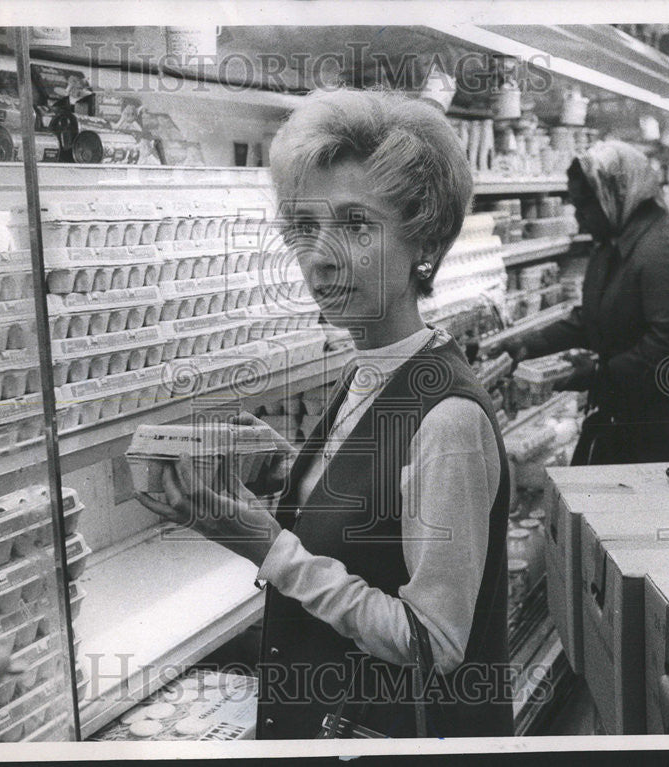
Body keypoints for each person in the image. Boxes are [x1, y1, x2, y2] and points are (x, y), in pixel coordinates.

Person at [137, 88, 513, 739]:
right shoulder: (369, 368)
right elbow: (382, 507)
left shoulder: (448, 419)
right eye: (306, 227)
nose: (320, 255)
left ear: (422, 236)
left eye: (356, 225)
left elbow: (433, 645)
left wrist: (265, 545)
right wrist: (289, 467)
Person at [500, 140, 669, 464]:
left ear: (615, 194)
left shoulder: (665, 250)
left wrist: (599, 372)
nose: (578, 219)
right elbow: (596, 315)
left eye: (583, 206)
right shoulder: (613, 246)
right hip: (647, 416)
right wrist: (528, 345)